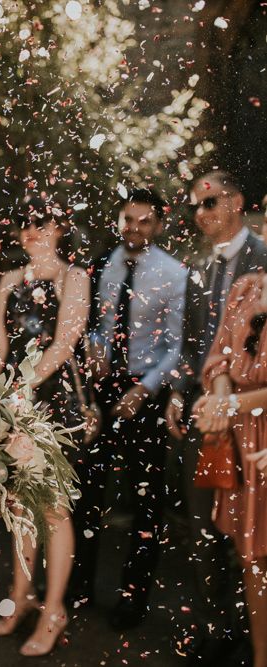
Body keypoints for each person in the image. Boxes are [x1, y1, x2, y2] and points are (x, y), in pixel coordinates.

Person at [72, 188, 187, 630]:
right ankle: (78, 586)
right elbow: (93, 325)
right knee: (87, 492)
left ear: (158, 225)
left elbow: (177, 347)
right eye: (128, 219)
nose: (134, 228)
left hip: (147, 392)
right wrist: (95, 351)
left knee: (146, 501)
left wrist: (144, 390)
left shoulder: (173, 273)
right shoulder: (102, 264)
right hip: (102, 389)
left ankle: (133, 598)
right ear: (118, 220)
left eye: (143, 221)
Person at [0, 195, 89, 656]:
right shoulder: (10, 280)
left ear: (59, 227)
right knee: (19, 505)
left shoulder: (74, 277)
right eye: (24, 222)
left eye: (41, 221)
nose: (32, 230)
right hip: (12, 402)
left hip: (54, 405)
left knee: (54, 510)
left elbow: (65, 344)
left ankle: (54, 610)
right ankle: (20, 598)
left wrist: (21, 389)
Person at [166, 170, 267, 664]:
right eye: (194, 207)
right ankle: (217, 630)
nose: (200, 214)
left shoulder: (264, 260)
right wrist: (181, 397)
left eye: (208, 203)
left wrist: (234, 402)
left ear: (237, 201)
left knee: (258, 536)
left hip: (257, 421)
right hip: (206, 413)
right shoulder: (198, 268)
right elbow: (191, 347)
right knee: (204, 523)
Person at [191, 272, 267, 667]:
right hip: (242, 437)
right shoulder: (245, 288)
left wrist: (233, 406)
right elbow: (219, 355)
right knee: (252, 558)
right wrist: (220, 397)